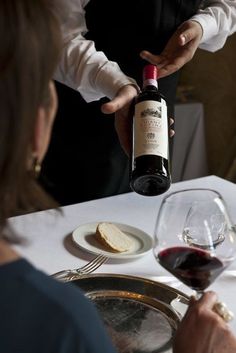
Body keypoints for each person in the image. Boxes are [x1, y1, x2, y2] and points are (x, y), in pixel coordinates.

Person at [1, 1, 236, 352]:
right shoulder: (62, 323)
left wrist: (203, 25)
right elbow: (60, 34)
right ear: (37, 129)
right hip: (89, 115)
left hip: (148, 96)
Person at [39, 0, 236, 206]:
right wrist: (115, 83)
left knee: (142, 213)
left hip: (157, 112)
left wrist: (203, 25)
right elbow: (54, 34)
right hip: (84, 112)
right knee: (70, 214)